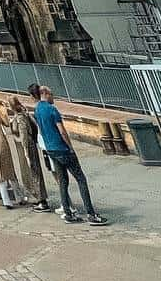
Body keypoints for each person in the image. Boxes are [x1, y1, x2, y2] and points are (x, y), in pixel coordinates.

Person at [34, 86, 108, 226]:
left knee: (62, 182)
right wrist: (70, 147)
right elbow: (62, 131)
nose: (53, 97)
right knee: (81, 179)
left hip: (50, 149)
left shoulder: (37, 110)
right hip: (62, 148)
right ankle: (91, 214)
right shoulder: (52, 110)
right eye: (51, 94)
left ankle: (68, 213)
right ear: (44, 93)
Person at [7, 96, 49, 211]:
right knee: (32, 172)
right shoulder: (22, 114)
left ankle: (41, 200)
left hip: (26, 147)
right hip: (25, 147)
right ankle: (38, 198)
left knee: (33, 172)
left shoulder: (20, 118)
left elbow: (24, 135)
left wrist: (26, 151)